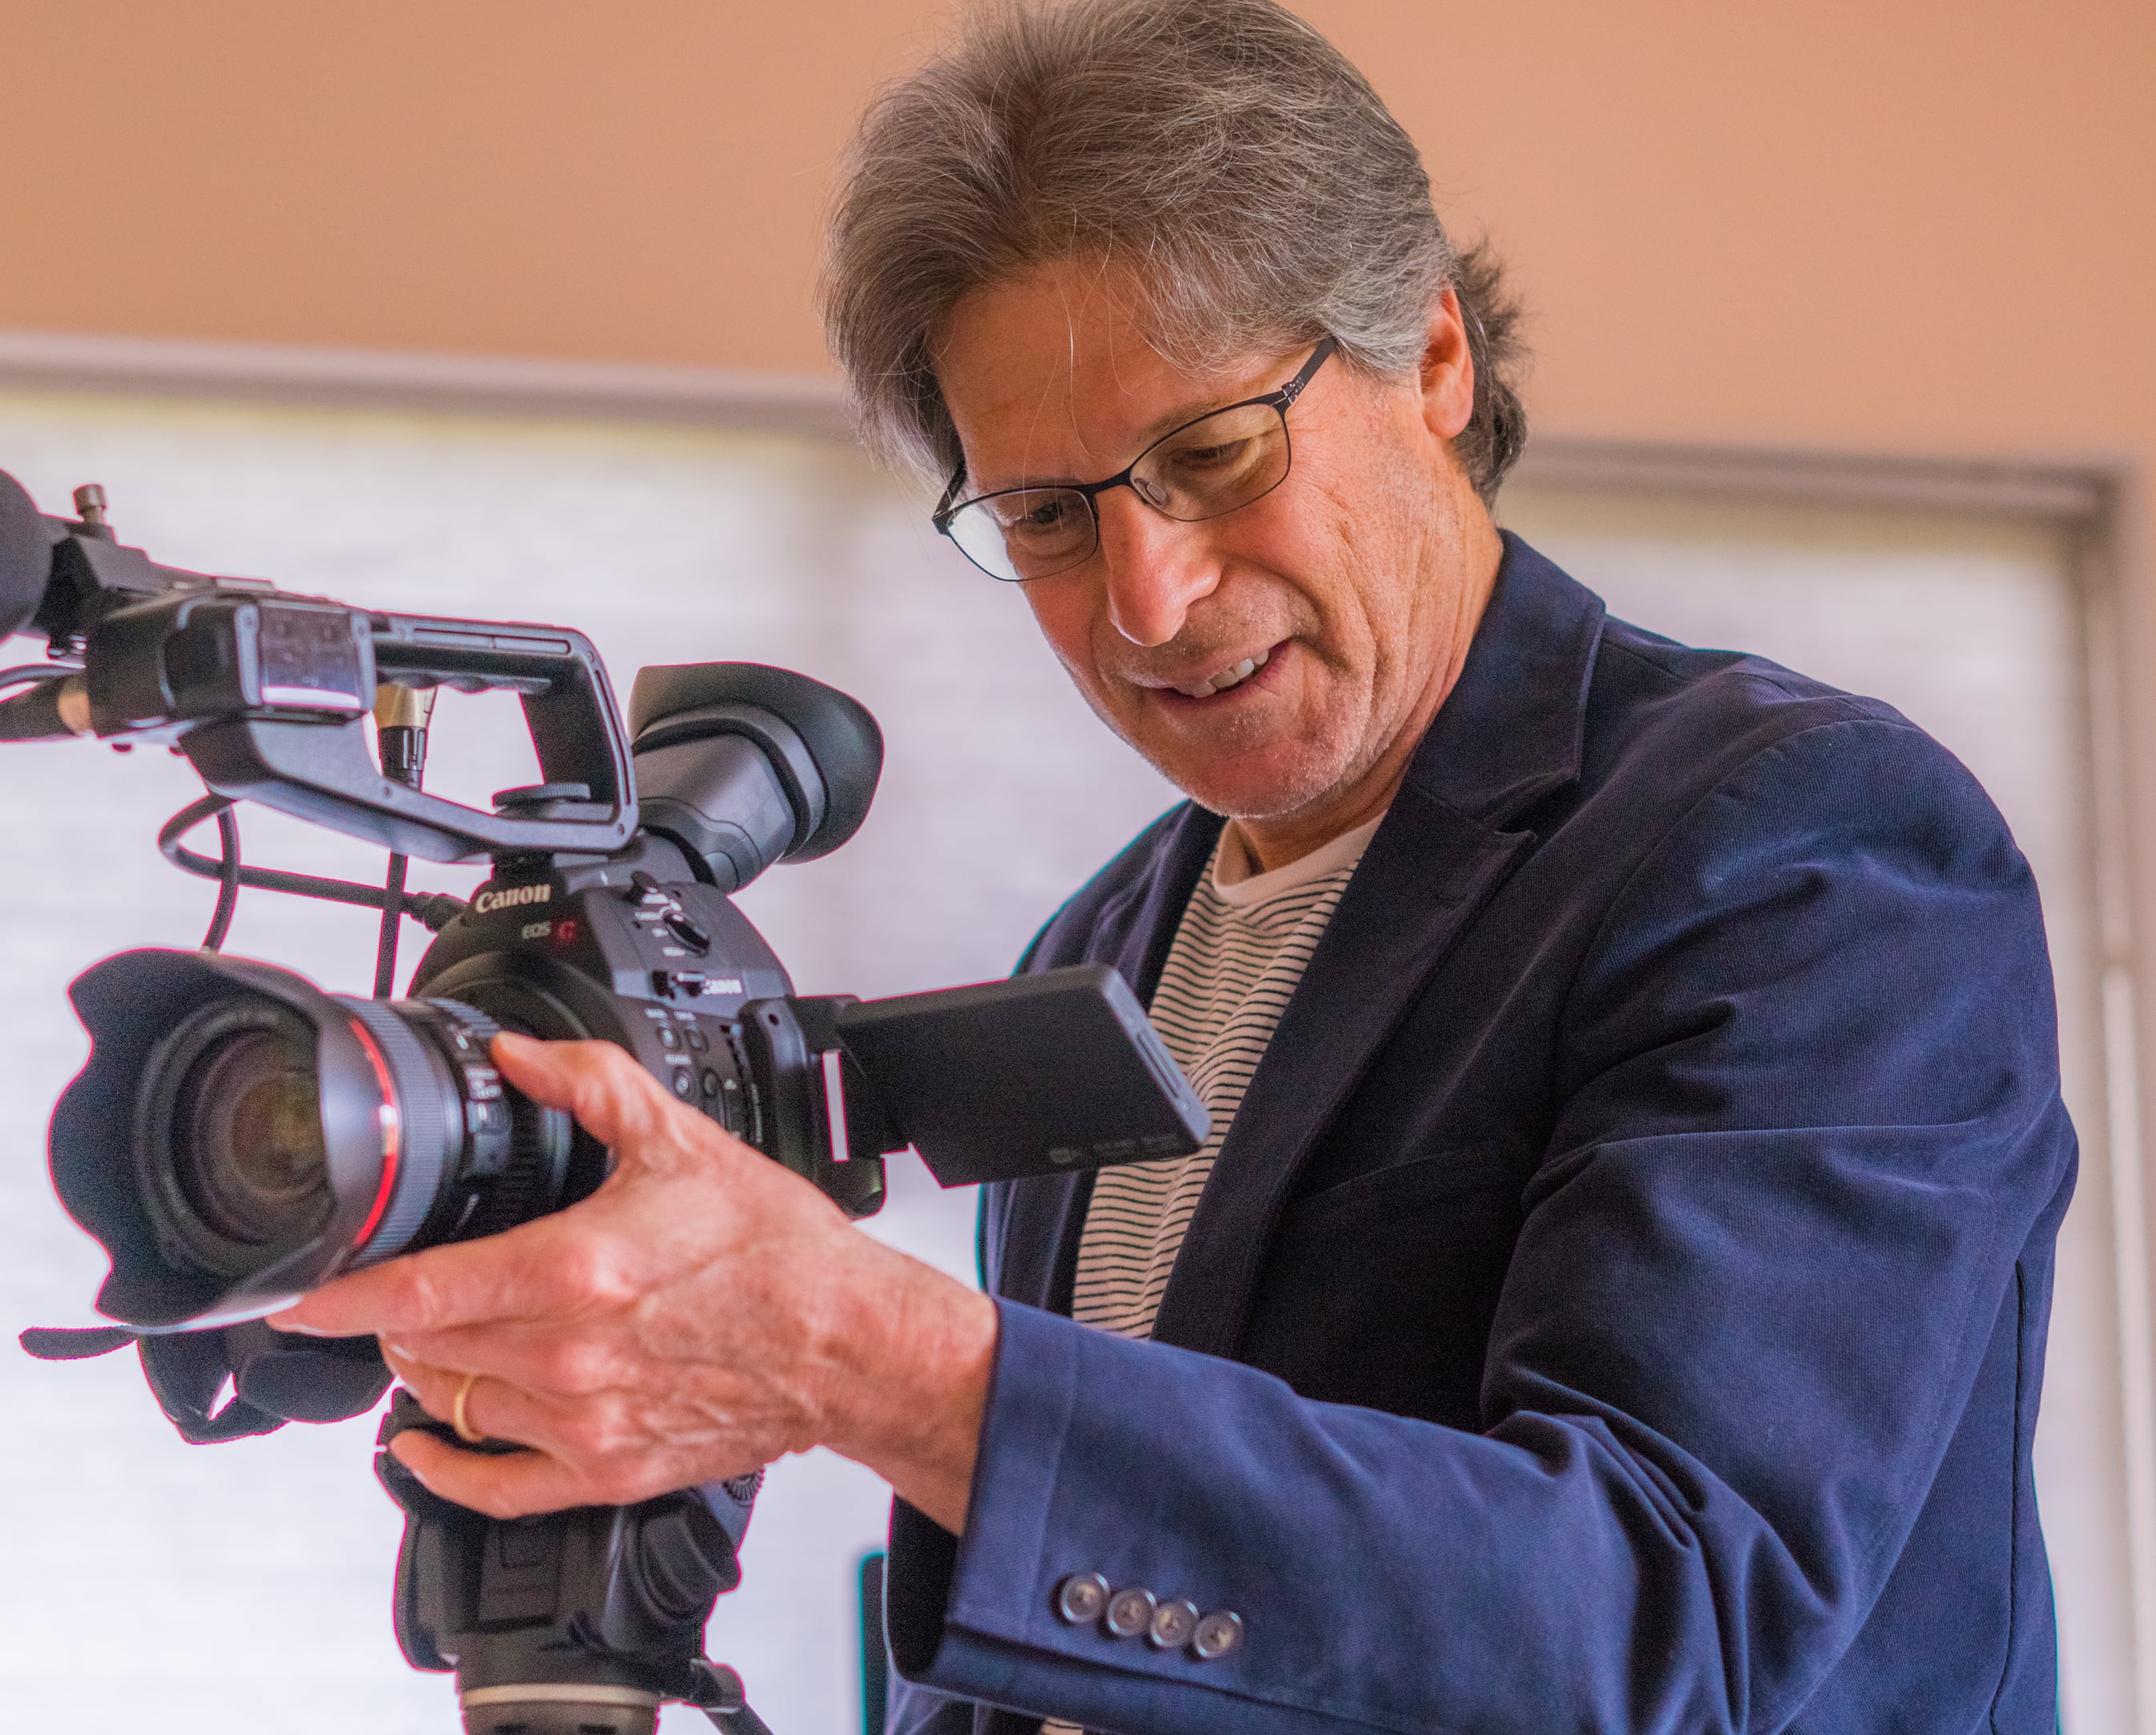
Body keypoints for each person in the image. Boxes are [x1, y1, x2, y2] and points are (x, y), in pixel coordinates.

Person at [270, 1, 2076, 1729]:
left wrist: (864, 1355)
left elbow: (1662, 1618)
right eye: (1046, 517)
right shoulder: (1110, 939)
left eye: (1211, 455)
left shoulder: (1799, 846)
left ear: (1431, 359)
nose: (1145, 598)